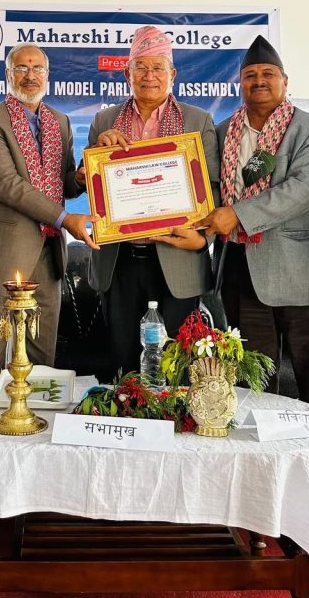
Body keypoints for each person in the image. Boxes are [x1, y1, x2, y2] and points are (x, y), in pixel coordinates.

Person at [196, 34, 309, 538]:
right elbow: (202, 186)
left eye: (267, 75)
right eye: (250, 76)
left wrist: (236, 214)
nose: (258, 82)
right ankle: (263, 487)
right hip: (241, 272)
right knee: (253, 387)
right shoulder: (223, 131)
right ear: (239, 83)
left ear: (285, 82)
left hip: (302, 271)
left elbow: (303, 188)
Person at [86, 26, 219, 377]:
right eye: (141, 68)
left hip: (178, 259)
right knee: (122, 364)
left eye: (158, 68)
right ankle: (124, 414)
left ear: (172, 75)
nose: (149, 76)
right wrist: (98, 156)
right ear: (127, 74)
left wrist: (203, 238)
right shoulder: (104, 121)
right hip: (120, 260)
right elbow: (90, 186)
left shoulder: (197, 120)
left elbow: (214, 189)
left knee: (175, 367)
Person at [0, 44, 96, 384]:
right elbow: (5, 184)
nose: (30, 75)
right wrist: (65, 219)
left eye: (37, 69)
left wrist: (80, 179)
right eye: (21, 68)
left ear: (47, 76)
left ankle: (33, 415)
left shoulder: (59, 121)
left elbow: (62, 182)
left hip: (48, 255)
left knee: (40, 358)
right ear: (8, 75)